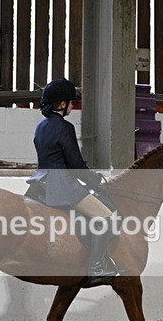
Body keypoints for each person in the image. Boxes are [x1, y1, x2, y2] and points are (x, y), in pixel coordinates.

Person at [27, 78, 120, 287]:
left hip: (40, 183)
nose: (73, 106)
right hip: (62, 186)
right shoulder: (64, 127)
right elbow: (76, 165)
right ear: (61, 105)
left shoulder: (41, 127)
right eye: (71, 103)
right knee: (106, 216)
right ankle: (96, 266)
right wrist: (95, 181)